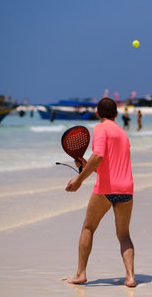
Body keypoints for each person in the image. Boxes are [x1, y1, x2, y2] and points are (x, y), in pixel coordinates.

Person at [65, 98, 136, 287]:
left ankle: (81, 273)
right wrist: (85, 165)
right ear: (116, 114)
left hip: (105, 189)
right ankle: (130, 277)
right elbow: (105, 165)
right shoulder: (123, 133)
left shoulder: (99, 128)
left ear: (97, 114)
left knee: (88, 228)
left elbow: (98, 156)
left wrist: (79, 179)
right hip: (126, 189)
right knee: (124, 235)